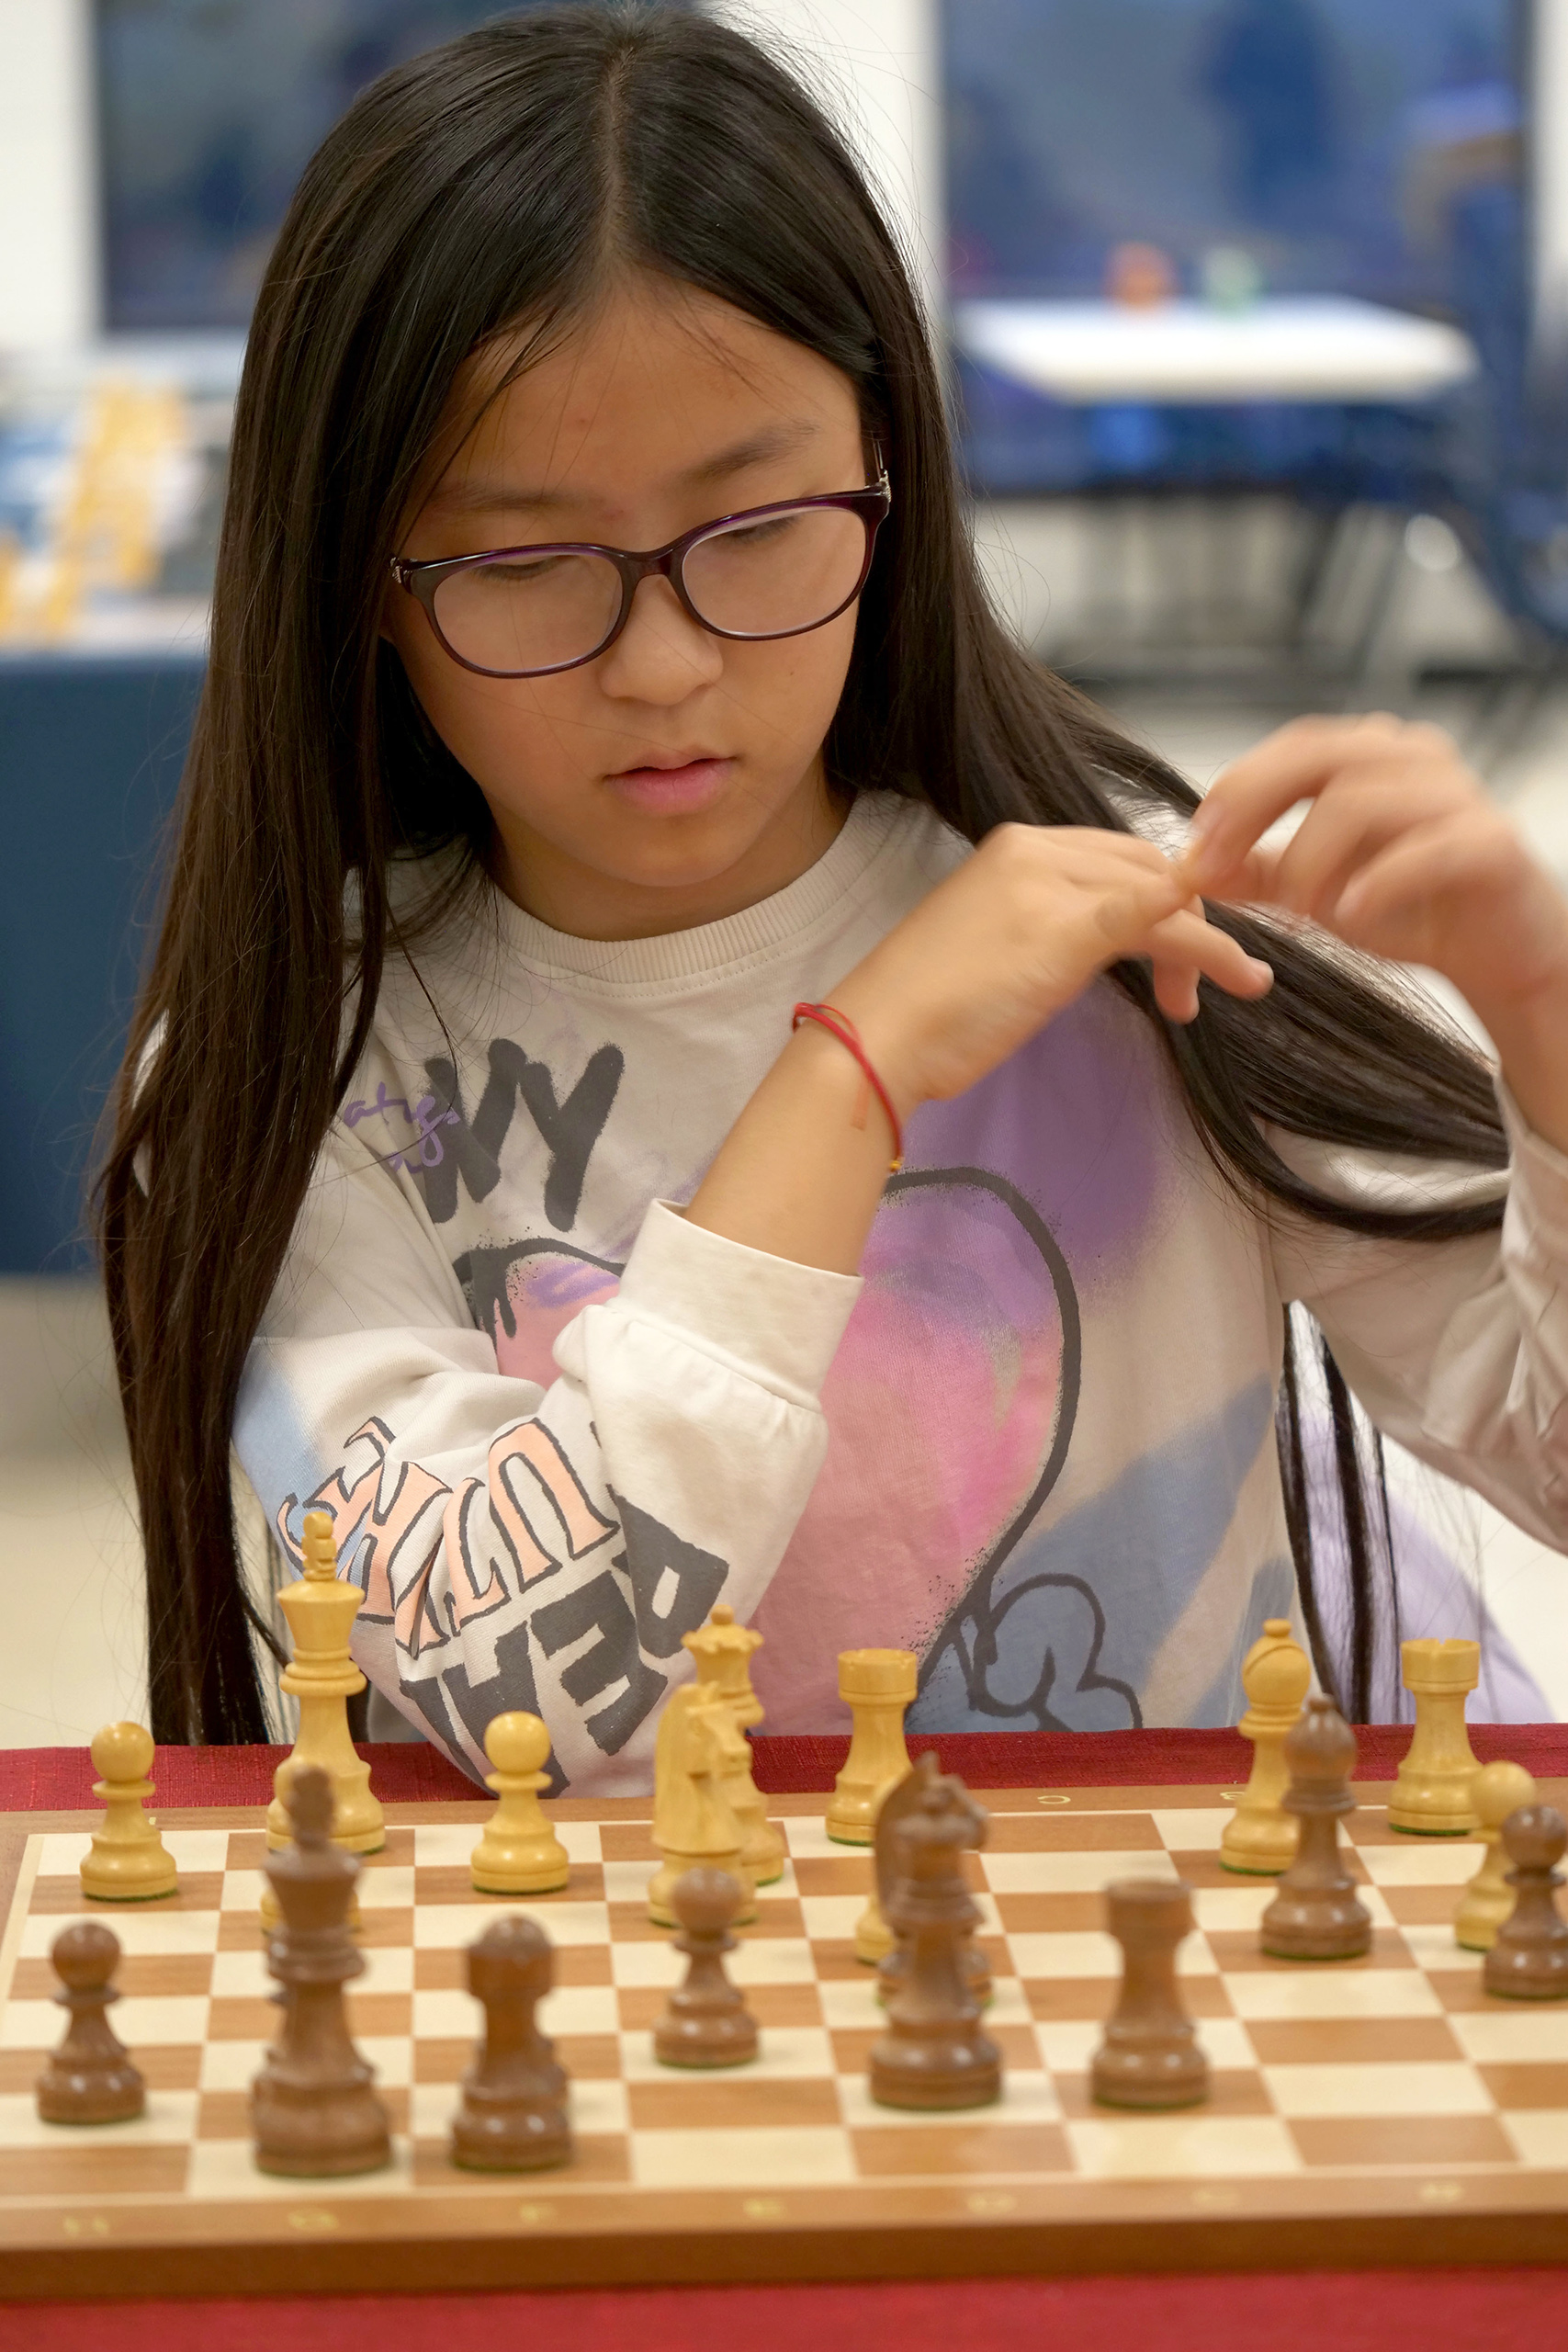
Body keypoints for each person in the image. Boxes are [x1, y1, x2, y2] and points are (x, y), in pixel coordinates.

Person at [100, 5, 1568, 1783]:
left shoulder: (1120, 925)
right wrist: (847, 1071)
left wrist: (1541, 1008)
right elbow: (532, 1713)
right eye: (522, 559)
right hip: (652, 1953)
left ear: (888, 477)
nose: (661, 665)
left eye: (755, 528)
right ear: (361, 583)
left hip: (1191, 1939)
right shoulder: (303, 1070)